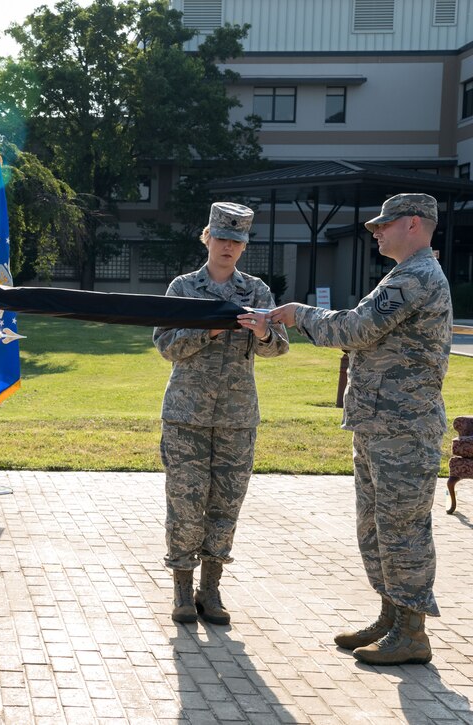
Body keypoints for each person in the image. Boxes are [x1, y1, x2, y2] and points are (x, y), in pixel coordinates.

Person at [267, 193, 450, 665]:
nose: (375, 232)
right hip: (378, 426)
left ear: (413, 224)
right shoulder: (402, 274)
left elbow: (353, 330)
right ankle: (391, 616)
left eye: (383, 225)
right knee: (374, 528)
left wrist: (298, 314)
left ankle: (412, 632)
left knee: (402, 529)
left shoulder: (417, 277)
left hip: (404, 431)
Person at [154, 201, 289, 625]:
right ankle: (181, 588)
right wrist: (208, 330)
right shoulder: (182, 288)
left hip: (236, 417)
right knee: (186, 502)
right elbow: (166, 346)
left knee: (226, 504)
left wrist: (265, 332)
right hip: (186, 416)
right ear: (207, 238)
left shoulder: (257, 292)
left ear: (244, 246)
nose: (229, 246)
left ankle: (210, 590)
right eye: (223, 238)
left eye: (237, 241)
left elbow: (280, 346)